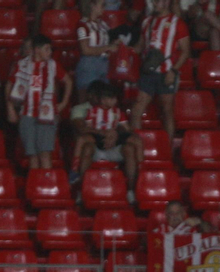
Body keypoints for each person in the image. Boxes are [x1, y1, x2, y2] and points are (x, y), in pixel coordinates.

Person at [131, 0, 189, 145]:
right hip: (148, 72)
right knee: (137, 109)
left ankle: (167, 150)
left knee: (167, 111)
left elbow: (186, 51)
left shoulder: (177, 23)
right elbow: (140, 46)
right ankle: (136, 147)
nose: (156, 3)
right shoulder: (147, 22)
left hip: (167, 72)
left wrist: (173, 71)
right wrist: (125, 51)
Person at [8, 35, 69, 169]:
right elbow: (10, 85)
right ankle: (35, 187)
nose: (50, 52)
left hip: (46, 115)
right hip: (27, 113)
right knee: (32, 155)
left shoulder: (53, 65)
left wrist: (63, 103)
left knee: (45, 153)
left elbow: (68, 81)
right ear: (37, 50)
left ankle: (45, 186)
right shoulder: (22, 65)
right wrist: (10, 108)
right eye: (47, 49)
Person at [71, 80, 141, 189]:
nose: (114, 101)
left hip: (114, 141)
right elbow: (84, 129)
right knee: (85, 144)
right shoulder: (86, 110)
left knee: (133, 144)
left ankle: (137, 179)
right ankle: (79, 181)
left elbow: (126, 128)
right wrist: (103, 133)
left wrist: (115, 133)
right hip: (95, 142)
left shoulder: (117, 112)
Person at [74, 0, 112, 91]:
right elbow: (85, 50)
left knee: (103, 98)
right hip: (89, 64)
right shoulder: (83, 24)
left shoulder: (104, 25)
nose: (104, 7)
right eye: (102, 5)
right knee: (87, 99)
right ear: (92, 5)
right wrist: (107, 48)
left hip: (105, 63)